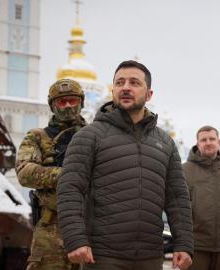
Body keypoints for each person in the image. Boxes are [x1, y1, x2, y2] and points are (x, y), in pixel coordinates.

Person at [57, 60, 193, 270]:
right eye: (119, 83)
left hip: (150, 256)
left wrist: (184, 244)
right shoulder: (89, 136)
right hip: (103, 256)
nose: (126, 87)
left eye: (134, 83)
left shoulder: (165, 142)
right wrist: (75, 239)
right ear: (113, 91)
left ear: (149, 95)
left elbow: (177, 196)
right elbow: (70, 189)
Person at [16, 79, 86, 270]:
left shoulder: (96, 135)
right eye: (62, 102)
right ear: (53, 105)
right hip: (51, 230)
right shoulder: (37, 136)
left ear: (81, 102)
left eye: (72, 100)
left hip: (89, 226)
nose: (68, 106)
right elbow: (25, 173)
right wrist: (67, 174)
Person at [183, 126, 220, 270]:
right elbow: (177, 207)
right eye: (203, 140)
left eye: (212, 139)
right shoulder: (184, 171)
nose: (208, 142)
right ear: (197, 143)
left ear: (219, 142)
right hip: (196, 247)